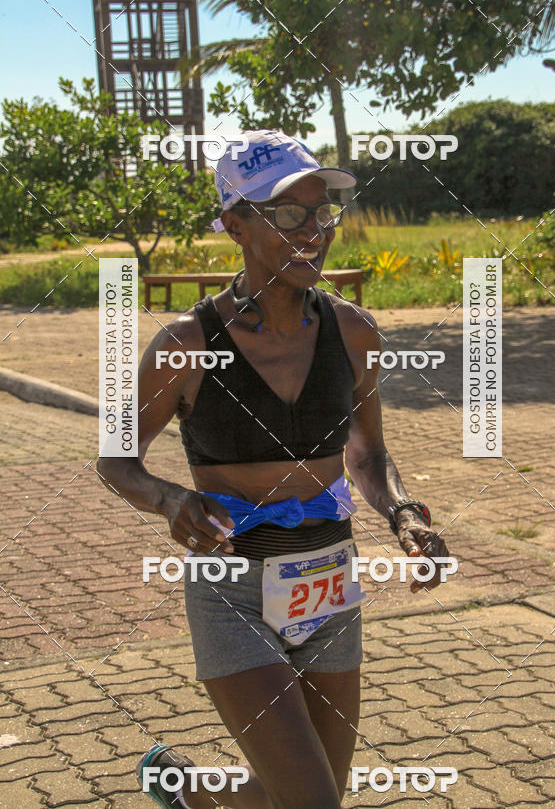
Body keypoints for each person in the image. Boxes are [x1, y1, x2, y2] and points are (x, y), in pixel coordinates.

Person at [97, 130, 450, 809]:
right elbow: (115, 457)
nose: (313, 231)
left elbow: (368, 453)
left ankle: (188, 788)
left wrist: (403, 512)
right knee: (312, 802)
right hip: (232, 589)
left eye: (322, 212)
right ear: (236, 223)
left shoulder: (354, 332)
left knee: (303, 792)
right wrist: (170, 499)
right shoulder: (187, 344)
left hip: (328, 583)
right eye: (289, 213)